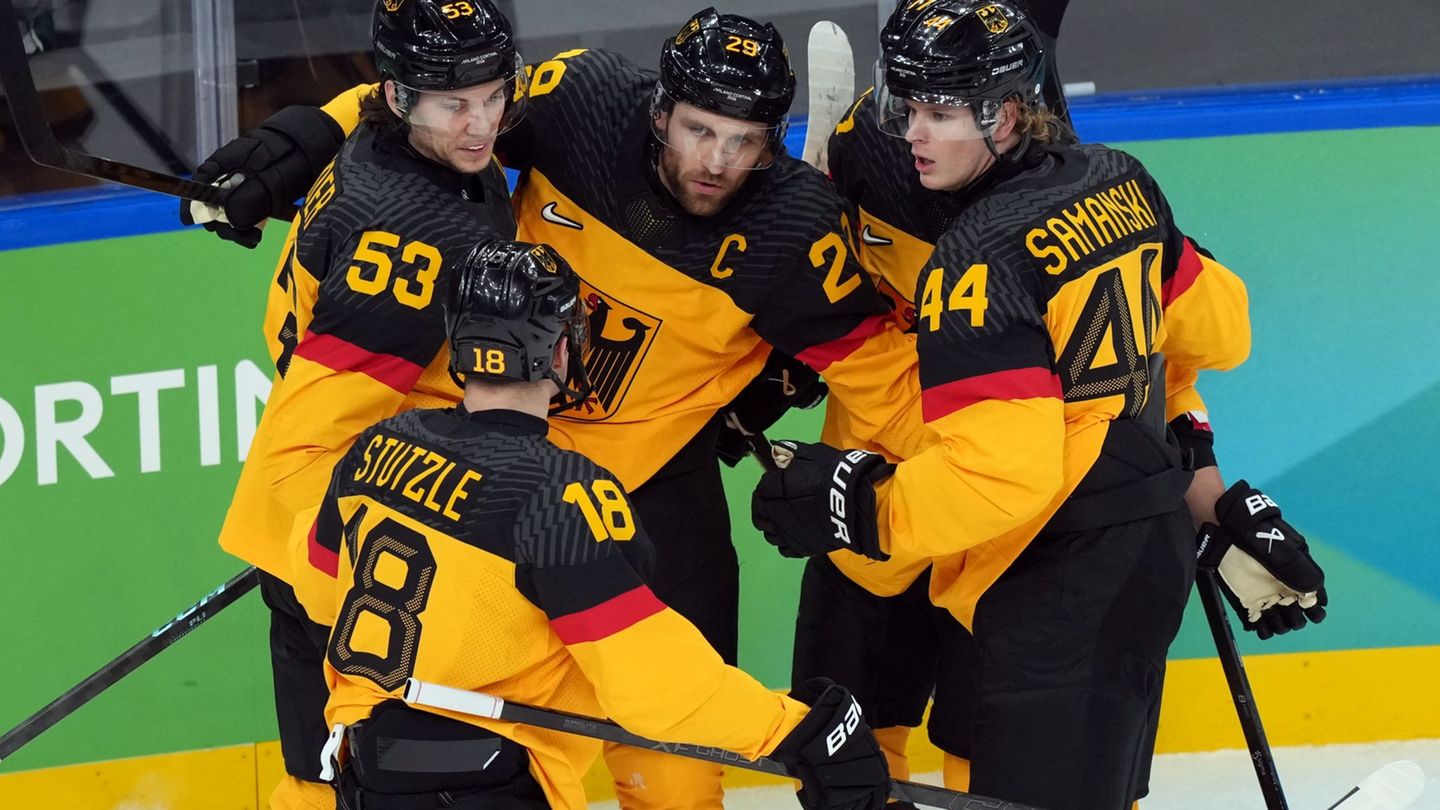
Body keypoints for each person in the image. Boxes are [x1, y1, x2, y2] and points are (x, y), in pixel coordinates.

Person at [190, 9, 928, 808]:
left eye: (745, 140)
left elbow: (884, 376)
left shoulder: (793, 233)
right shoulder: (581, 100)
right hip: (505, 465)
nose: (716, 161)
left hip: (647, 477)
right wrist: (318, 129)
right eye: (698, 131)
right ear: (657, 110)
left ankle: (821, 191)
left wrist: (885, 500)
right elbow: (442, 96)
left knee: (674, 767)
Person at [750, 2, 1326, 808]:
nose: (914, 132)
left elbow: (1001, 478)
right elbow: (1218, 333)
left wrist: (861, 512)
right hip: (1110, 536)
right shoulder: (1117, 178)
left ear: (1007, 111)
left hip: (1043, 555)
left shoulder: (974, 260)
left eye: (940, 113)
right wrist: (1200, 481)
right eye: (907, 108)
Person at [286, 237, 891, 810]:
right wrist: (799, 731)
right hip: (486, 784)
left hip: (362, 774)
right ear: (559, 350)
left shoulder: (378, 445)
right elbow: (656, 689)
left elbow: (318, 589)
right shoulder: (561, 493)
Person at [208, 3, 527, 807]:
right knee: (354, 783)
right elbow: (317, 436)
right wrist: (338, 577)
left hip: (333, 509)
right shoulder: (408, 239)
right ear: (401, 96)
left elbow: (359, 104)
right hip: (330, 526)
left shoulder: (398, 130)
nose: (482, 123)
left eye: (494, 95)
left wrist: (304, 128)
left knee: (323, 777)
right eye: (457, 104)